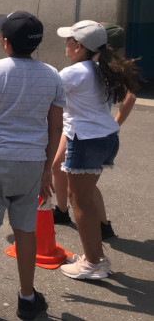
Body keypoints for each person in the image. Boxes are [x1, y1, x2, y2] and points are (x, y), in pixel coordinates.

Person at [0, 11, 64, 320]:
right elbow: (55, 127)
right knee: (26, 229)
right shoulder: (52, 75)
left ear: (4, 42)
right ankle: (28, 298)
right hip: (32, 162)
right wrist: (47, 169)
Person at [55, 21, 140, 280]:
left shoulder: (73, 73)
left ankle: (93, 263)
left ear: (78, 46)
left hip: (86, 142)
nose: (66, 44)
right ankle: (95, 256)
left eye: (69, 40)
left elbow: (45, 96)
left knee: (79, 201)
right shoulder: (101, 68)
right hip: (105, 138)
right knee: (86, 198)